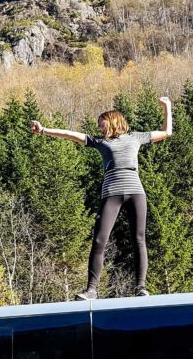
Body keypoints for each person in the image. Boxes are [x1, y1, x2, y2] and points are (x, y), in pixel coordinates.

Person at [30, 96, 173, 300]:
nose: (98, 126)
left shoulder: (135, 137)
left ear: (113, 120)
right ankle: (91, 290)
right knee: (99, 240)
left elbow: (167, 132)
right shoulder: (100, 142)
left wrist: (167, 107)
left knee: (139, 239)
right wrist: (44, 130)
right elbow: (71, 135)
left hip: (135, 192)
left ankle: (141, 287)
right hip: (111, 193)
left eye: (101, 122)